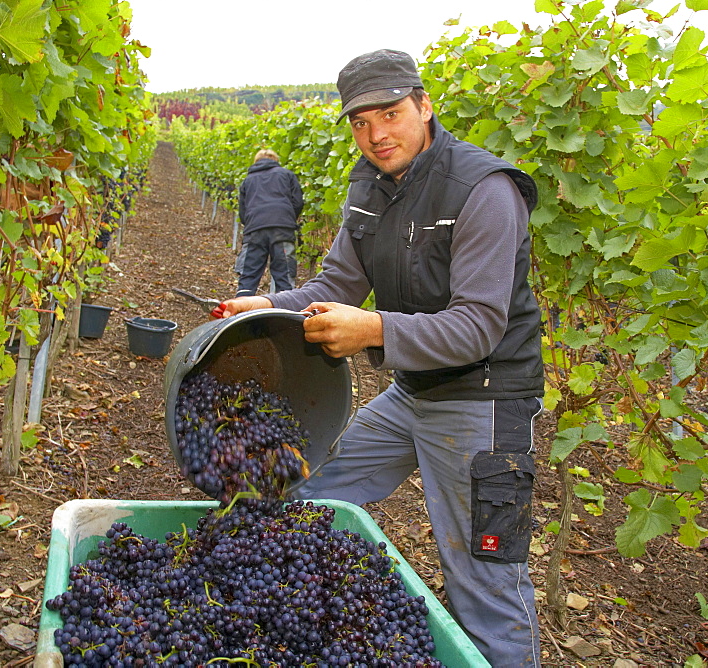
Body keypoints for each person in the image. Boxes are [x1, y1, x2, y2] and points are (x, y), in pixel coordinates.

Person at [217, 49, 544, 666]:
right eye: (361, 123)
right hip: (414, 391)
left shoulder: (484, 190)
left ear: (424, 106)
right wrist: (266, 307)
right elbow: (333, 287)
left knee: (482, 581)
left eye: (390, 114)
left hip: (484, 397)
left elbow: (477, 326)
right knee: (302, 485)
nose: (376, 135)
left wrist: (371, 330)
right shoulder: (369, 190)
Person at [234, 149, 304, 297]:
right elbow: (298, 202)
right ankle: (284, 316)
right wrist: (287, 218)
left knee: (248, 277)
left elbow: (242, 210)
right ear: (275, 160)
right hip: (282, 229)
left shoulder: (248, 180)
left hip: (255, 229)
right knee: (285, 277)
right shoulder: (287, 175)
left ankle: (241, 314)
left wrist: (252, 224)